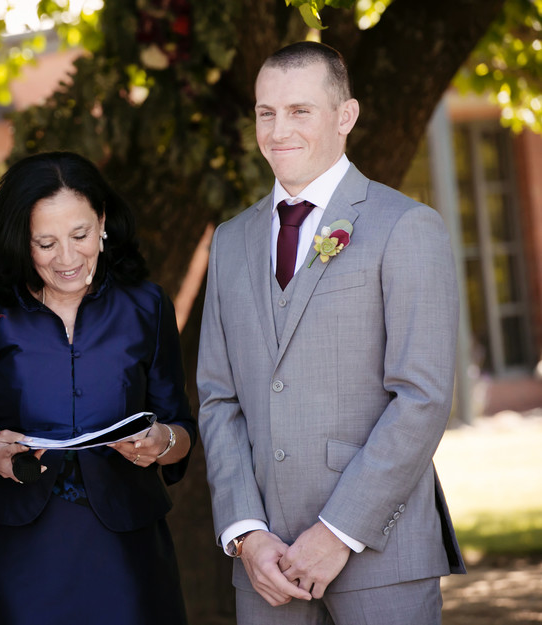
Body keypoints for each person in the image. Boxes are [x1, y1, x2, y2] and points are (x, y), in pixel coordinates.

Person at [197, 41, 465, 624]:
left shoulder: (407, 227)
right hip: (265, 571)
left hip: (382, 558)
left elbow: (421, 398)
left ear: (346, 117)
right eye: (266, 113)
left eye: (300, 111)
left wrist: (338, 532)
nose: (278, 130)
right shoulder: (231, 241)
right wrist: (246, 533)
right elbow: (219, 399)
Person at [0, 151, 196, 625]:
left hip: (126, 553)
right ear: (21, 242)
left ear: (102, 223)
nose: (69, 258)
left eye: (80, 235)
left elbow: (181, 430)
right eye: (46, 243)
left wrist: (162, 443)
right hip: (10, 557)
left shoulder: (147, 305)